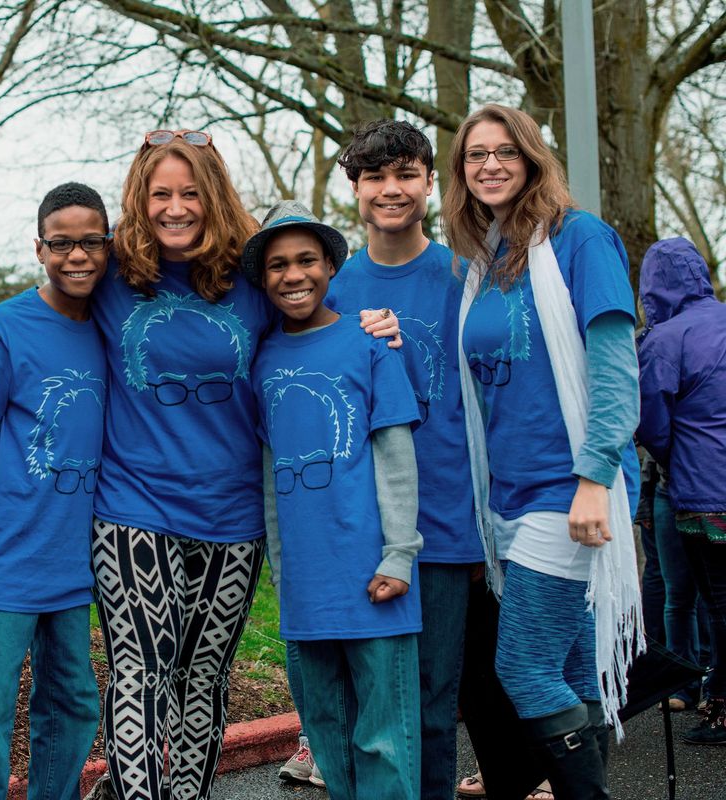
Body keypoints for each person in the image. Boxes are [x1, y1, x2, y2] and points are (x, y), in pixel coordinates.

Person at [0, 131, 401, 800]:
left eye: (190, 192)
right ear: (140, 200)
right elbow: (48, 299)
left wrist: (376, 321)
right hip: (132, 507)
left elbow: (318, 305)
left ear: (214, 197)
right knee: (139, 672)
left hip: (232, 518)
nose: (176, 207)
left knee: (202, 678)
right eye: (160, 193)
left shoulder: (254, 283)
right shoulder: (112, 279)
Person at [442, 104, 643, 799]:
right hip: (509, 493)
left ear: (532, 159)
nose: (489, 164)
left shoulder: (580, 239)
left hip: (570, 487)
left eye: (505, 151)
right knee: (576, 669)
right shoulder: (485, 262)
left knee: (523, 665)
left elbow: (616, 367)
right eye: (475, 155)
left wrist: (595, 477)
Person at [315, 119, 483, 800]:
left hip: (447, 522)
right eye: (375, 176)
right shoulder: (331, 289)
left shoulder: (465, 276)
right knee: (367, 703)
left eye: (406, 174)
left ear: (428, 182)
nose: (392, 189)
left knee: (434, 702)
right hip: (360, 527)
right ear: (354, 187)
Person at [243, 201, 424, 800]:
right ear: (262, 277)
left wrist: (399, 554)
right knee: (326, 734)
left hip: (374, 571)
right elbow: (270, 469)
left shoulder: (368, 345)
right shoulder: (262, 360)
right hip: (305, 579)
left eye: (306, 261)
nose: (293, 275)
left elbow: (395, 455)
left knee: (384, 737)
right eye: (277, 266)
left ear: (329, 267)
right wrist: (280, 560)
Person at [0, 182, 107, 799]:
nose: (76, 256)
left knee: (73, 703)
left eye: (90, 242)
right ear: (39, 249)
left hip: (78, 560)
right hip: (5, 557)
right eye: (61, 244)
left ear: (109, 245)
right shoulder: (7, 327)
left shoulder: (114, 322)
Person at [635, 237, 726, 745]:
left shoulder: (665, 339)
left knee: (719, 603)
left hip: (705, 495)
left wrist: (673, 460)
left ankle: (722, 708)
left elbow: (651, 425)